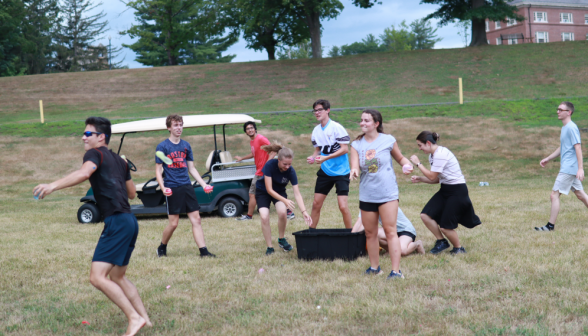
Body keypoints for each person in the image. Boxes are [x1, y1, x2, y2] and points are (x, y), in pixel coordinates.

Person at [33, 117, 151, 336]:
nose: (83, 138)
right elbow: (132, 193)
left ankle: (134, 319)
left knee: (97, 277)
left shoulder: (94, 154)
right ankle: (145, 319)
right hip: (130, 221)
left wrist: (52, 185)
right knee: (118, 277)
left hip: (116, 221)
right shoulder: (120, 161)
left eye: (88, 134)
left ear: (101, 137)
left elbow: (84, 173)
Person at [349, 109, 413, 279]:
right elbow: (354, 164)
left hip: (387, 193)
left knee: (390, 231)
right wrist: (354, 171)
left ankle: (396, 271)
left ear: (376, 124)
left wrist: (407, 165)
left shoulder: (388, 140)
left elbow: (400, 158)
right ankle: (375, 267)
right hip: (367, 195)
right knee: (370, 233)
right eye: (361, 120)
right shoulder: (356, 145)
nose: (362, 123)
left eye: (366, 120)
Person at [409, 131, 482, 255]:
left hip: (457, 191)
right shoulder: (432, 155)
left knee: (445, 226)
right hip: (446, 189)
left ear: (428, 143)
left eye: (420, 145)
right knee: (425, 215)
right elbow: (437, 179)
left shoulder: (441, 154)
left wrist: (418, 163)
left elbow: (432, 176)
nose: (420, 148)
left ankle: (459, 248)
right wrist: (420, 179)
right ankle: (441, 241)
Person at [155, 114, 215, 258]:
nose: (179, 128)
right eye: (175, 125)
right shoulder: (163, 146)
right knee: (174, 224)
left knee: (197, 219)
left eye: (181, 124)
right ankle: (162, 247)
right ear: (169, 128)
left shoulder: (186, 145)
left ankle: (204, 252)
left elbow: (192, 168)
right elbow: (158, 170)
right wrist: (163, 188)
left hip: (186, 186)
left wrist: (204, 184)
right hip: (172, 188)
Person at [536, 101, 588, 231]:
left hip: (568, 169)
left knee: (554, 195)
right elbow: (563, 147)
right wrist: (548, 158)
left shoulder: (571, 127)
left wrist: (580, 168)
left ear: (568, 112)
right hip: (569, 168)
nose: (557, 111)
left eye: (561, 109)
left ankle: (550, 226)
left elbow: (578, 147)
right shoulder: (565, 128)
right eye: (557, 109)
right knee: (581, 195)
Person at [256, 144, 313, 255]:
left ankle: (281, 239)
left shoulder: (291, 171)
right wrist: (285, 201)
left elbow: (297, 194)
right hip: (263, 191)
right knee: (264, 216)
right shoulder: (270, 165)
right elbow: (269, 190)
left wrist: (304, 212)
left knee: (282, 213)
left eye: (290, 164)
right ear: (279, 160)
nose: (287, 166)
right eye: (285, 164)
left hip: (279, 192)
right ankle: (270, 247)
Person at [234, 121, 293, 220]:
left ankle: (249, 216)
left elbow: (274, 150)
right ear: (246, 132)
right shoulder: (252, 141)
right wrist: (242, 158)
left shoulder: (261, 139)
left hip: (261, 172)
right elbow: (254, 153)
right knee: (273, 191)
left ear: (255, 129)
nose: (250, 130)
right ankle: (289, 212)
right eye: (248, 129)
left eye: (252, 128)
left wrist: (267, 165)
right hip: (261, 171)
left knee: (252, 193)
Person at [308, 99, 352, 229]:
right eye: (315, 111)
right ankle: (311, 233)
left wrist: (325, 158)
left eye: (320, 110)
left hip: (341, 172)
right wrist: (313, 157)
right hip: (325, 172)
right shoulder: (316, 130)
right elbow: (318, 149)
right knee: (316, 204)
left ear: (328, 110)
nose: (317, 113)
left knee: (343, 206)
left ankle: (351, 234)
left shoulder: (337, 128)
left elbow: (344, 149)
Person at [351, 208, 425, 256]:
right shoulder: (366, 204)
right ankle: (391, 250)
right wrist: (350, 240)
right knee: (372, 233)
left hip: (405, 230)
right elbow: (359, 223)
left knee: (401, 251)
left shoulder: (385, 202)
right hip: (390, 231)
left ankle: (417, 244)